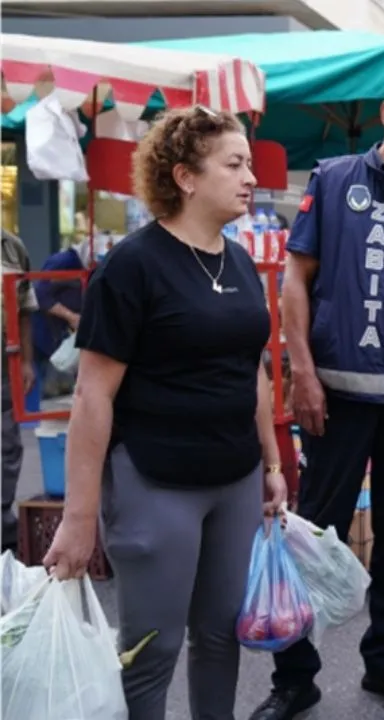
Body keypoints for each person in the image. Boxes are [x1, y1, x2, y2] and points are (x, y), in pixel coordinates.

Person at [41, 106, 287, 720]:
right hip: (156, 481)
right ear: (184, 176)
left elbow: (250, 367)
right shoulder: (132, 266)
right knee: (152, 650)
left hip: (233, 480)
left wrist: (273, 462)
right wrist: (78, 516)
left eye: (249, 165)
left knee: (221, 636)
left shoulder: (239, 263)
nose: (249, 177)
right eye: (233, 164)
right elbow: (93, 395)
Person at [254, 65, 384, 719]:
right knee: (316, 535)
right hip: (336, 398)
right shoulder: (334, 181)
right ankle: (294, 677)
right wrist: (304, 374)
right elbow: (296, 283)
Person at [1, 229, 37, 554]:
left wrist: (26, 360)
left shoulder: (12, 246)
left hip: (3, 363)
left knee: (6, 449)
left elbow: (24, 306)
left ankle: (3, 534)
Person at [32, 237, 92, 396]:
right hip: (43, 327)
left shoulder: (87, 268)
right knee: (40, 374)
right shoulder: (63, 261)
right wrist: (71, 317)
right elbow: (41, 294)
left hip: (62, 329)